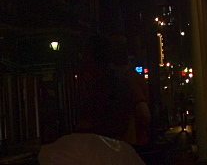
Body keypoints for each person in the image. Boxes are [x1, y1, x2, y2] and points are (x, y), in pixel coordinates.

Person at [39, 35, 143, 165]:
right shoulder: (113, 80)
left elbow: (115, 123)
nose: (82, 60)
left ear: (93, 58)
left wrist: (83, 132)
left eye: (84, 54)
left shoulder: (109, 83)